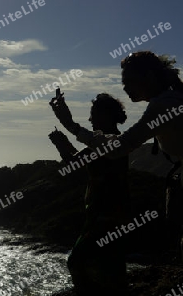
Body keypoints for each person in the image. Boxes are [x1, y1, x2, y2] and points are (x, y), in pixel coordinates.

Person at [50, 51, 183, 262]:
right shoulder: (170, 99)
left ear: (149, 77)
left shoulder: (164, 105)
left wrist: (70, 125)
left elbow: (118, 147)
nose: (125, 88)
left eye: (129, 81)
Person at [49, 93, 130, 296]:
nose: (91, 120)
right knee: (108, 266)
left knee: (79, 261)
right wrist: (62, 143)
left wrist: (67, 126)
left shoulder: (115, 143)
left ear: (108, 116)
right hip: (98, 215)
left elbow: (78, 162)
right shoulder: (102, 144)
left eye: (94, 114)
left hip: (107, 217)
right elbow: (77, 162)